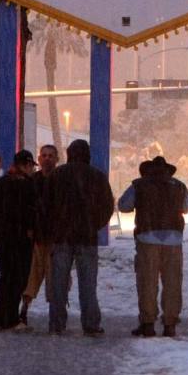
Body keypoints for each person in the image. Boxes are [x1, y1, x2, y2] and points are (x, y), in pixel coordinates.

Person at [118, 156, 188, 338]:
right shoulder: (179, 186)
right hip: (173, 239)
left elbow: (123, 205)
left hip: (147, 237)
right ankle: (170, 324)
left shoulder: (139, 185)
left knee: (147, 282)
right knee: (172, 282)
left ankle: (148, 323)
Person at [46, 138, 114, 336]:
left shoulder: (57, 175)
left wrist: (55, 226)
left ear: (69, 154)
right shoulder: (98, 177)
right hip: (86, 237)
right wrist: (93, 225)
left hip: (62, 236)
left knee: (59, 283)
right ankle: (91, 323)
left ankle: (57, 323)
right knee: (88, 284)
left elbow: (46, 205)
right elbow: (107, 206)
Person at [0, 149, 37, 330]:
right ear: (26, 165)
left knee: (5, 277)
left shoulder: (2, 183)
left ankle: (1, 315)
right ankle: (11, 317)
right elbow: (28, 212)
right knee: (17, 279)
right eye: (31, 166)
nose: (32, 169)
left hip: (3, 238)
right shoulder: (26, 185)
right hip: (19, 239)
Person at [20, 144, 59, 325]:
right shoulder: (33, 181)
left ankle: (55, 313)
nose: (47, 159)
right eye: (44, 155)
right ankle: (24, 309)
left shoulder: (61, 180)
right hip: (37, 236)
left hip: (55, 236)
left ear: (56, 159)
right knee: (32, 275)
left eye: (50, 155)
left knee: (54, 277)